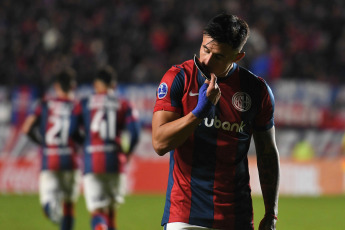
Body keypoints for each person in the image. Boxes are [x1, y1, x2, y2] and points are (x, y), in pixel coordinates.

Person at [152, 13, 280, 230]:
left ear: (237, 57)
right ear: (202, 39)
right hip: (185, 215)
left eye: (218, 56)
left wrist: (271, 212)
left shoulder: (256, 91)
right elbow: (160, 143)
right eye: (205, 49)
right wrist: (199, 112)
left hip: (236, 217)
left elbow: (267, 153)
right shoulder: (179, 78)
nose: (207, 60)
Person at [73, 65, 140, 230]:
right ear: (114, 85)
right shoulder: (123, 103)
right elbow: (135, 133)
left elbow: (71, 130)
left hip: (92, 161)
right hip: (115, 160)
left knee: (97, 211)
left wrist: (85, 144)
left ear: (96, 84)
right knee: (111, 211)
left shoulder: (84, 103)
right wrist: (128, 152)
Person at [21, 68, 81, 230]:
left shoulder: (45, 104)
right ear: (72, 86)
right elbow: (80, 132)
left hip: (50, 158)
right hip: (70, 159)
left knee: (48, 202)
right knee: (69, 204)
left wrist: (42, 143)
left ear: (56, 86)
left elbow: (26, 128)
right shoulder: (76, 106)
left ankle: (50, 207)